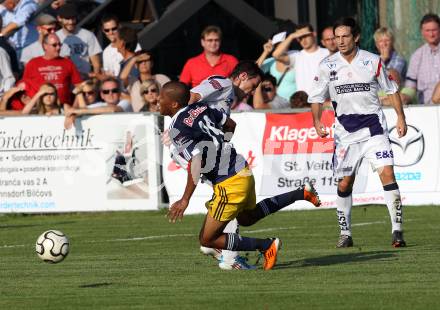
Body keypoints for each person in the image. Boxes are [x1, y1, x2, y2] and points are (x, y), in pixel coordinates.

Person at [160, 81, 321, 270]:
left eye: (161, 97)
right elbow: (230, 123)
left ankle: (266, 245)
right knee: (247, 218)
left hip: (229, 182)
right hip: (241, 169)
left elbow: (197, 162)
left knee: (207, 239)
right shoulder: (200, 108)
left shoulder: (177, 128)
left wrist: (184, 200)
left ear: (174, 104)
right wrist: (224, 145)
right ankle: (300, 193)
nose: (157, 100)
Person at [309, 17, 407, 248]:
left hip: (374, 129)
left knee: (387, 174)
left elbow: (391, 90)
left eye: (345, 36)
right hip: (345, 133)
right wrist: (316, 120)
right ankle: (345, 233)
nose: (340, 41)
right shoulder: (327, 65)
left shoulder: (373, 61)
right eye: (337, 37)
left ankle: (397, 231)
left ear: (356, 37)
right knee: (344, 184)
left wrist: (401, 117)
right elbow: (315, 96)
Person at [22, 33, 82, 107]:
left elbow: (79, 86)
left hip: (63, 108)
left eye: (60, 44)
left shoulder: (68, 63)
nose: (58, 47)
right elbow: (25, 86)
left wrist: (74, 107)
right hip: (40, 109)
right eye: (54, 45)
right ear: (45, 46)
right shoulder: (33, 63)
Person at [273, 23, 329, 96]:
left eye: (305, 36)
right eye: (300, 37)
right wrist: (291, 36)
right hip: (304, 102)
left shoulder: (327, 53)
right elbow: (276, 55)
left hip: (324, 100)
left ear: (314, 34)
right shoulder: (296, 56)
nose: (303, 40)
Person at [56, 3, 102, 79]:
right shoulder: (55, 37)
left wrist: (95, 80)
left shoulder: (88, 35)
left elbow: (96, 63)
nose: (70, 22)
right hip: (64, 79)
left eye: (73, 18)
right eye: (67, 19)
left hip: (85, 80)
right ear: (59, 18)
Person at [402, 13, 440, 105]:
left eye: (434, 30)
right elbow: (410, 86)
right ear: (422, 32)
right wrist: (404, 97)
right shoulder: (417, 56)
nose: (431, 34)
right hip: (425, 110)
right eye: (427, 30)